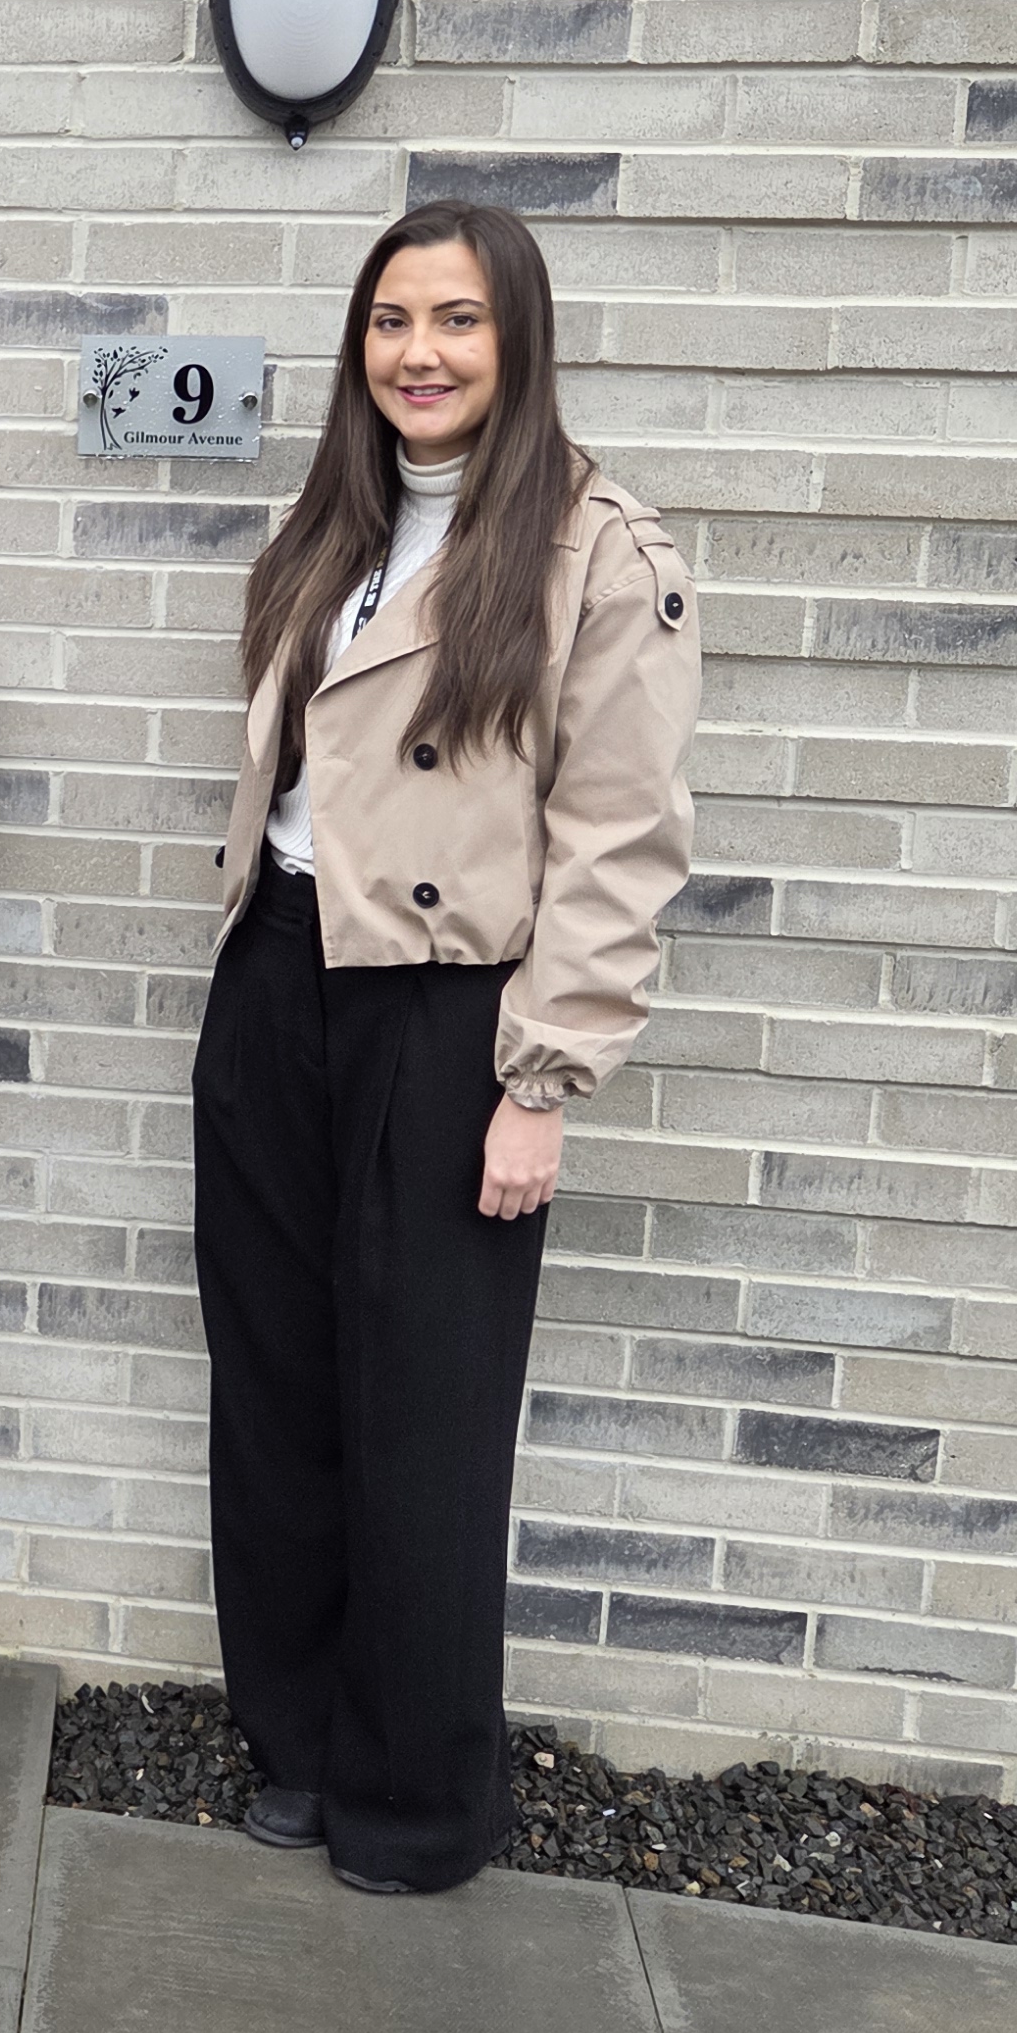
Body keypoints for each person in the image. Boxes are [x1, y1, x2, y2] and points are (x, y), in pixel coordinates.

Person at [194, 199, 701, 1899]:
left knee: (422, 1417)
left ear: (517, 340)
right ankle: (302, 1741)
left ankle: (416, 1799)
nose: (420, 352)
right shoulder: (331, 526)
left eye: (459, 322)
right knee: (276, 1393)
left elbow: (620, 835)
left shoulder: (595, 550)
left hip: (447, 1009)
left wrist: (541, 1080)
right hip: (279, 978)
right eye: (393, 320)